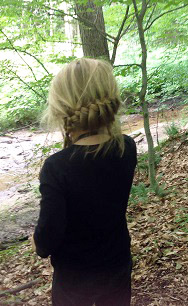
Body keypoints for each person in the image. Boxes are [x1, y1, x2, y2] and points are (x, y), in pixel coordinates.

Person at [31, 58, 137, 306]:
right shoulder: (126, 147)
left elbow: (48, 237)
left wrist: (38, 243)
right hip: (117, 266)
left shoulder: (56, 167)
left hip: (74, 279)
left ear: (60, 107)